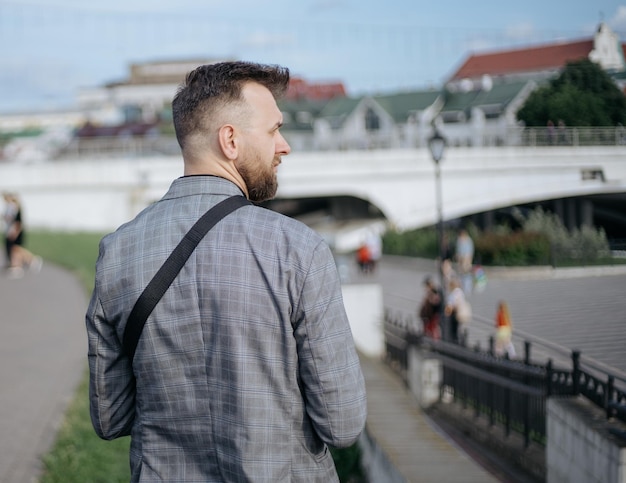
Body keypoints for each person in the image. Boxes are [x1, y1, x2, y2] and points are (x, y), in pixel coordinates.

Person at [86, 61, 367, 482]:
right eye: (274, 130)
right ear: (230, 140)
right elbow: (341, 424)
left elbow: (110, 419)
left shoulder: (117, 253)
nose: (284, 145)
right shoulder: (298, 250)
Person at [2, 192, 42, 278]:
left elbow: (17, 223)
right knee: (15, 250)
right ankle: (17, 266)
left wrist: (14, 233)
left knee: (17, 249)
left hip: (15, 231)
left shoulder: (15, 208)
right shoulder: (14, 207)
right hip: (13, 231)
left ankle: (31, 260)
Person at [444, 277, 470, 344]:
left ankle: (454, 342)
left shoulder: (453, 293)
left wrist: (447, 312)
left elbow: (451, 305)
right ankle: (460, 342)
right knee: (460, 329)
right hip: (460, 314)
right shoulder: (460, 292)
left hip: (455, 314)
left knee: (454, 330)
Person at [418, 276, 442, 340]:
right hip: (428, 317)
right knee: (428, 330)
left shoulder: (434, 292)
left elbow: (435, 303)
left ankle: (435, 343)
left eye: (426, 286)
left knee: (433, 330)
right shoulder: (431, 292)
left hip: (432, 316)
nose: (425, 288)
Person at [455, 228, 474, 295]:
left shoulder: (468, 240)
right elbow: (458, 251)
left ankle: (467, 287)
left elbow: (470, 252)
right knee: (461, 273)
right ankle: (462, 286)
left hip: (466, 259)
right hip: (461, 260)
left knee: (467, 273)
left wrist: (467, 260)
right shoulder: (459, 240)